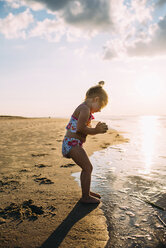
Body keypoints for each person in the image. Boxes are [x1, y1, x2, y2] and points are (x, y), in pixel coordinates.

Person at [62, 81, 108, 204]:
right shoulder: (85, 109)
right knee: (88, 167)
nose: (99, 111)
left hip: (72, 143)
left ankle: (86, 191)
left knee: (86, 167)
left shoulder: (84, 108)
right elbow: (80, 129)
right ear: (96, 99)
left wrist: (95, 129)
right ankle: (85, 197)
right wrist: (96, 131)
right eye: (100, 107)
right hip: (71, 143)